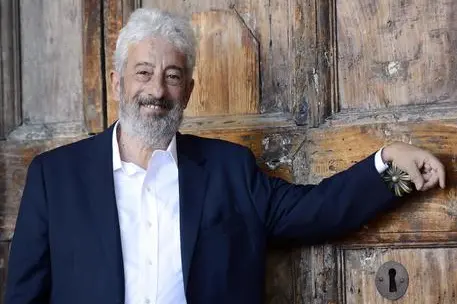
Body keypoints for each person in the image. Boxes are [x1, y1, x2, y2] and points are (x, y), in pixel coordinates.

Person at [5, 8, 446, 304]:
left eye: (172, 76)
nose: (156, 90)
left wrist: (389, 167)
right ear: (118, 83)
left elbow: (319, 210)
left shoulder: (228, 170)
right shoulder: (53, 178)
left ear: (188, 91)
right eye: (144, 73)